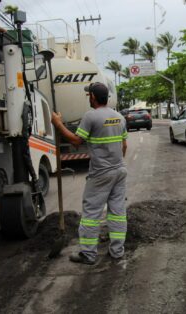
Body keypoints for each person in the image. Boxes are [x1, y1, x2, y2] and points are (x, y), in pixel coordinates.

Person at [51, 82, 128, 265]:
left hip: (101, 174)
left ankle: (88, 254)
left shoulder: (91, 116)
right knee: (117, 212)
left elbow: (77, 141)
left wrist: (58, 124)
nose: (88, 98)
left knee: (91, 214)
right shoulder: (119, 117)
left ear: (92, 97)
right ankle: (117, 251)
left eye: (89, 95)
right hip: (119, 171)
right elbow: (124, 146)